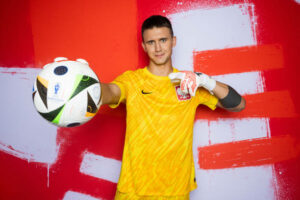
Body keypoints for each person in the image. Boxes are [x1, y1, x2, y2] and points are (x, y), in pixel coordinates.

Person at [100, 15, 246, 200]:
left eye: (163, 40)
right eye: (151, 42)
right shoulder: (132, 81)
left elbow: (239, 105)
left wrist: (206, 81)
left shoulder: (190, 82)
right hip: (133, 190)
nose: (158, 48)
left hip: (175, 191)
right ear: (144, 46)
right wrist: (85, 85)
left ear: (173, 41)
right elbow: (110, 92)